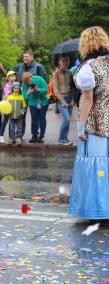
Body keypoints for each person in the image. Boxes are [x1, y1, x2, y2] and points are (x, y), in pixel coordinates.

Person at [70, 26, 109, 220]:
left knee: (97, 167)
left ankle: (98, 210)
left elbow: (87, 99)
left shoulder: (89, 67)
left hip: (96, 124)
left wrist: (80, 125)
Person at [21, 71, 48, 143]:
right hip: (33, 103)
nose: (30, 81)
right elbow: (25, 98)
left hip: (43, 101)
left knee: (42, 118)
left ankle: (41, 137)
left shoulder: (39, 79)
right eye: (28, 80)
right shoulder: (24, 84)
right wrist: (28, 93)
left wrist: (39, 89)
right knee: (34, 119)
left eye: (30, 78)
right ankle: (34, 136)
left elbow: (47, 89)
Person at [53, 55, 74, 145]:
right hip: (61, 99)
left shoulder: (70, 73)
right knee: (67, 119)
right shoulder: (56, 74)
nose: (65, 62)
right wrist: (63, 101)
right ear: (59, 62)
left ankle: (65, 138)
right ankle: (61, 139)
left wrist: (73, 100)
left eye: (67, 60)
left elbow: (73, 87)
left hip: (69, 98)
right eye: (63, 61)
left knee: (68, 120)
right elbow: (56, 90)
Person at [0, 71, 17, 143]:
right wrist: (13, 92)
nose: (14, 77)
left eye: (14, 76)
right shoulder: (7, 85)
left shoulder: (16, 85)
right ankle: (1, 136)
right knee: (5, 121)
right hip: (7, 107)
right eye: (12, 76)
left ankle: (11, 136)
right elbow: (7, 96)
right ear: (8, 78)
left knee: (12, 122)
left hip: (14, 106)